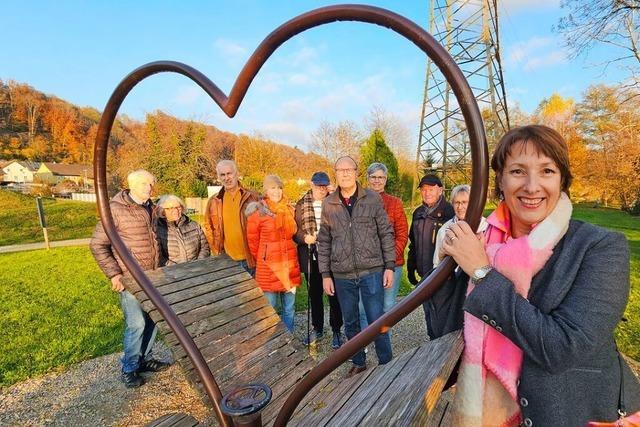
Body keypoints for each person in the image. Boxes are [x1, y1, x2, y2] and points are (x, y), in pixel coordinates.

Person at [445, 125, 640, 426]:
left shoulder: (600, 247)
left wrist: (482, 272)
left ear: (562, 179)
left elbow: (562, 347)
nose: (532, 186)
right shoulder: (481, 242)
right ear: (500, 179)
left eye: (547, 171)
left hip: (578, 415)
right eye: (518, 171)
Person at [90, 170, 170, 388]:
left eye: (152, 183)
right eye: (145, 183)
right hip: (131, 277)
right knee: (136, 324)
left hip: (154, 276)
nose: (150, 187)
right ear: (131, 184)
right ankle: (129, 367)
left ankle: (144, 358)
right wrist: (115, 274)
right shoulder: (115, 210)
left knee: (153, 320)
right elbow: (98, 245)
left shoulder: (152, 208)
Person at [317, 156, 395, 377]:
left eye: (348, 169)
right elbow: (324, 241)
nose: (344, 173)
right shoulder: (329, 203)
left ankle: (386, 362)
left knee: (377, 319)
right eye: (340, 170)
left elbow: (386, 233)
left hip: (371, 270)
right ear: (335, 173)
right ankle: (359, 361)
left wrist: (389, 265)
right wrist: (325, 274)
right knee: (350, 321)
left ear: (356, 172)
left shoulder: (372, 199)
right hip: (342, 274)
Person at [426, 184, 488, 339]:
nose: (461, 207)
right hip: (454, 287)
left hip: (479, 284)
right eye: (457, 202)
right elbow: (437, 264)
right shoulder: (445, 230)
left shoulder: (487, 227)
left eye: (465, 202)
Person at [294, 171, 344, 349]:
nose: (321, 189)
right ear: (311, 184)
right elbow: (295, 230)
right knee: (314, 294)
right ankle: (317, 327)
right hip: (310, 255)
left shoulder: (335, 201)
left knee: (334, 294)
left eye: (324, 186)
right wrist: (304, 238)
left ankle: (337, 329)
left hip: (332, 255)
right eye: (318, 186)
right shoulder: (301, 204)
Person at [246, 175, 301, 332]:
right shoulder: (258, 213)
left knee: (289, 308)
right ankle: (272, 342)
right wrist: (265, 257)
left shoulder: (289, 210)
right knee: (270, 309)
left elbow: (293, 234)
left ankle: (288, 338)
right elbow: (253, 243)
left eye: (279, 187)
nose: (277, 191)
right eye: (272, 188)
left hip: (289, 265)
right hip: (268, 268)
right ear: (266, 190)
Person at [358, 162, 408, 331]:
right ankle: (362, 342)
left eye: (381, 177)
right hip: (366, 264)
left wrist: (389, 258)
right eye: (373, 177)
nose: (377, 181)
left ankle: (383, 342)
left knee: (387, 306)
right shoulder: (359, 201)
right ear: (368, 179)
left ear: (385, 180)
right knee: (363, 307)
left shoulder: (395, 203)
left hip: (391, 263)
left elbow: (402, 234)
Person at [407, 174, 454, 338]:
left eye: (431, 189)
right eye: (424, 189)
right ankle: (433, 343)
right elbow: (413, 242)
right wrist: (411, 266)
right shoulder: (418, 213)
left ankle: (444, 347)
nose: (427, 193)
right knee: (428, 311)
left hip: (443, 276)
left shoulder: (450, 212)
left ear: (440, 190)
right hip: (424, 273)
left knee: (443, 315)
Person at [203, 160, 258, 275]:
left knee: (255, 293)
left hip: (252, 260)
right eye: (222, 175)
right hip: (228, 261)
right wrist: (216, 250)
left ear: (236, 174)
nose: (226, 178)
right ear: (218, 177)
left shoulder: (253, 197)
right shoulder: (214, 201)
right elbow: (209, 227)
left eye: (229, 173)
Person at [155, 194, 210, 266]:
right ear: (162, 211)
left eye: (178, 207)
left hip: (197, 268)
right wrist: (177, 268)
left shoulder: (194, 225)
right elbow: (159, 256)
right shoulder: (157, 229)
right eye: (170, 208)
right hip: (172, 273)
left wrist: (198, 263)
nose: (175, 210)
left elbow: (205, 247)